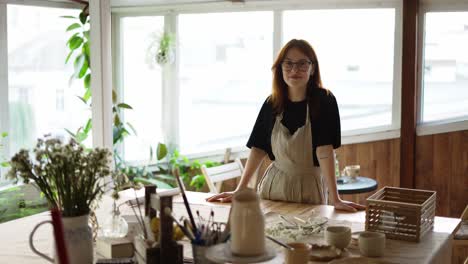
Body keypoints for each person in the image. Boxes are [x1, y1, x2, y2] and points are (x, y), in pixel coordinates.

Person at [206, 39, 365, 212]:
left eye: (302, 64)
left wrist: (336, 199)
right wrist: (241, 188)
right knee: (270, 236)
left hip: (309, 188)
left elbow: (324, 150)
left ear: (313, 68)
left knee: (306, 235)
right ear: (280, 68)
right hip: (273, 186)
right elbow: (258, 148)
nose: (294, 70)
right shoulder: (272, 103)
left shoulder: (324, 100)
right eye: (288, 64)